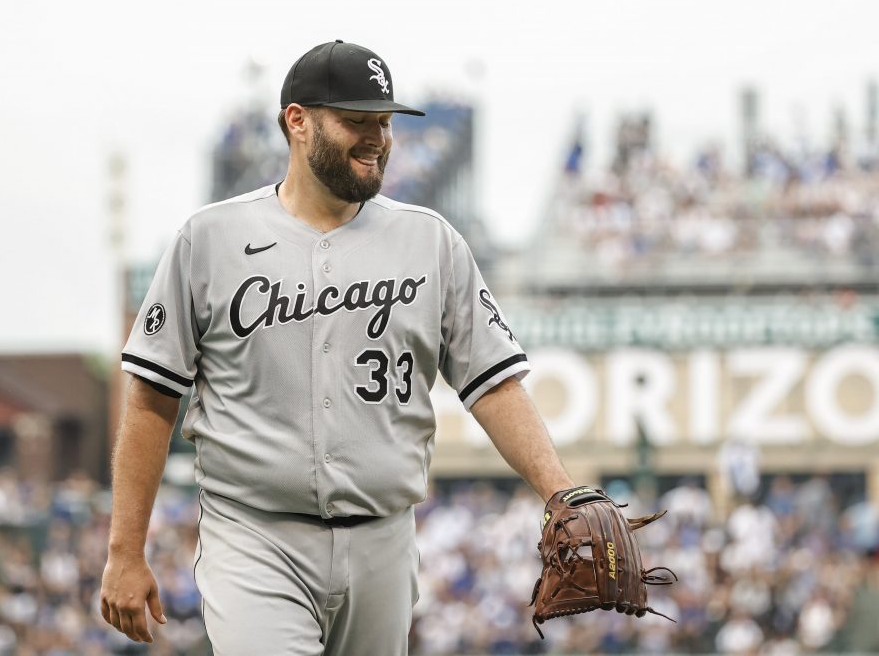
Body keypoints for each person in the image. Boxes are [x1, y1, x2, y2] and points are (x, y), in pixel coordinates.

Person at [100, 39, 575, 654]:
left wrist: (560, 491)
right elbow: (148, 403)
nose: (377, 136)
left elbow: (495, 384)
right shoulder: (209, 240)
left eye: (383, 121)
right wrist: (123, 551)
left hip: (383, 537)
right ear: (297, 121)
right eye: (356, 120)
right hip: (254, 534)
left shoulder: (430, 241)